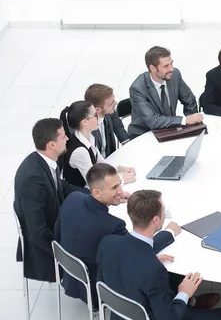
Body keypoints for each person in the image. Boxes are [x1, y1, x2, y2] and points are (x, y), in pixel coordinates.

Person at [97, 190, 221, 320]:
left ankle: (192, 303)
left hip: (121, 319)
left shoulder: (108, 243)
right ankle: (188, 302)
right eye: (163, 210)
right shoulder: (153, 271)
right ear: (156, 220)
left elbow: (113, 271)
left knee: (173, 280)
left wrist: (149, 259)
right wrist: (184, 293)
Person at [55, 164, 180, 307]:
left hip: (70, 273)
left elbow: (58, 232)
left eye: (119, 185)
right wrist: (168, 232)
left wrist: (117, 198)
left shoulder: (73, 198)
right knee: (157, 271)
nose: (121, 191)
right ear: (97, 193)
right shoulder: (112, 225)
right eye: (114, 188)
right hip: (97, 288)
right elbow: (139, 250)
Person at [13, 118, 87, 283]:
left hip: (56, 222)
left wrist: (95, 196)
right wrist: (64, 256)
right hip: (45, 244)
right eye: (63, 137)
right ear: (51, 144)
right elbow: (37, 232)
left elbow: (62, 186)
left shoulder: (45, 161)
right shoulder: (32, 179)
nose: (67, 138)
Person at [129, 46, 203, 138]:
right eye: (166, 66)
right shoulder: (137, 88)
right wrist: (185, 120)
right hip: (145, 134)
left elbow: (189, 100)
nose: (171, 69)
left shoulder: (175, 75)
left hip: (169, 130)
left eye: (171, 63)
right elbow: (153, 120)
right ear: (152, 68)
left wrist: (192, 125)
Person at [59, 100, 135, 188]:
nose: (98, 117)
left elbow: (101, 163)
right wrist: (122, 180)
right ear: (84, 122)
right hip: (84, 193)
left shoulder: (89, 137)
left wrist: (121, 168)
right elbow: (95, 183)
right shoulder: (80, 151)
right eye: (95, 115)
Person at [84, 83, 130, 157]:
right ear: (98, 109)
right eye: (111, 103)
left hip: (110, 156)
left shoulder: (109, 111)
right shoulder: (86, 129)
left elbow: (118, 127)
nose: (115, 103)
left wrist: (127, 144)